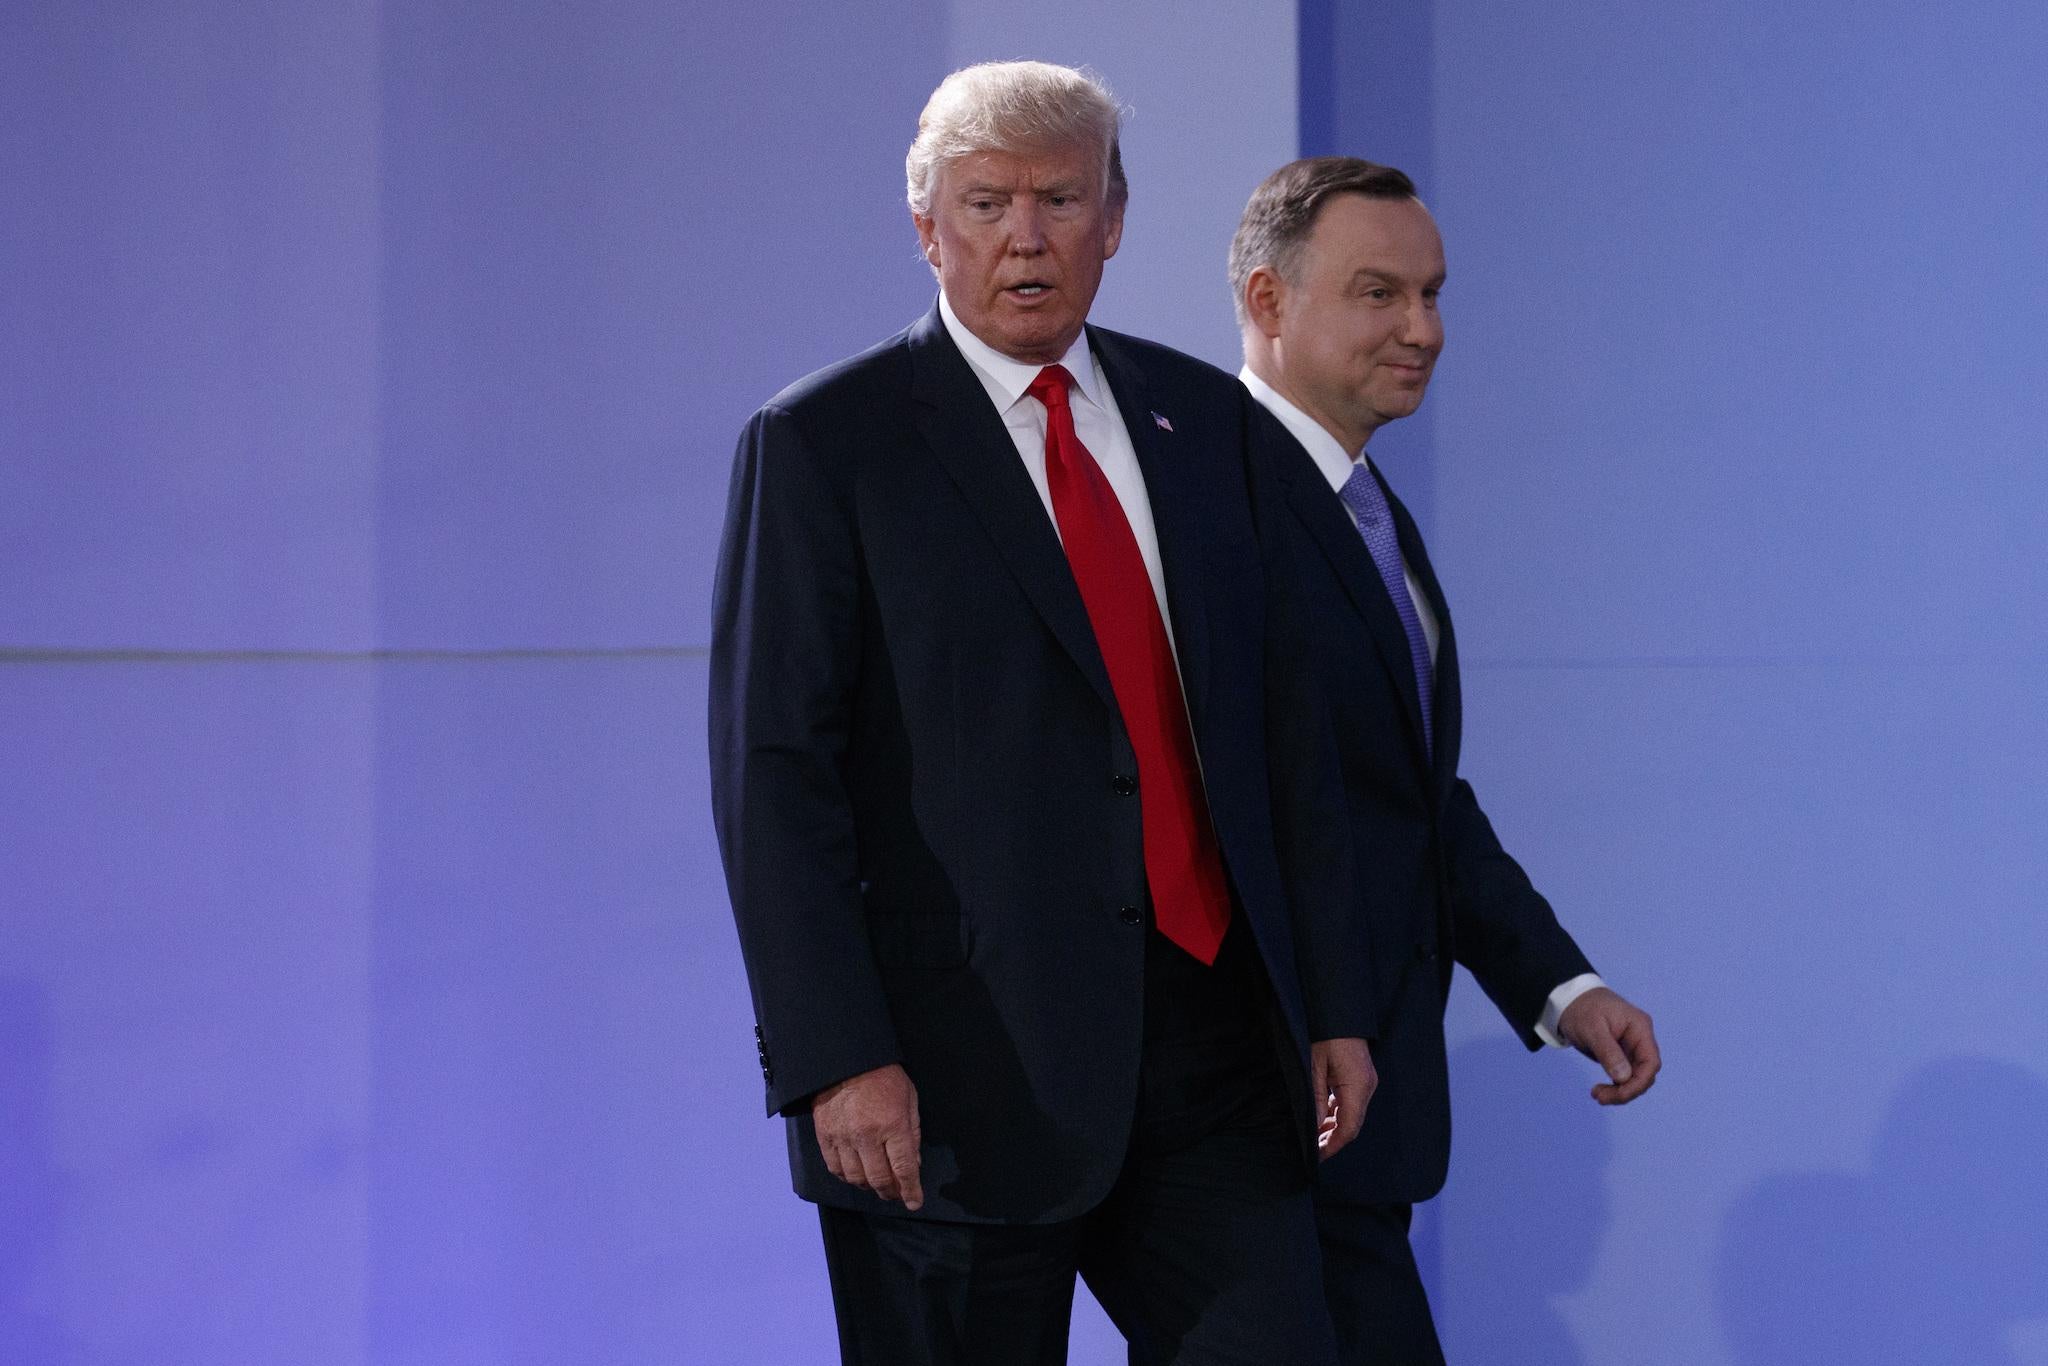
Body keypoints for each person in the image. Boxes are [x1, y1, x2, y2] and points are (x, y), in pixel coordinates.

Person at [708, 64, 1376, 1366]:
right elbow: (773, 776)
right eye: (987, 202)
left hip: (1214, 1056)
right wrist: (835, 1055)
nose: (1026, 234)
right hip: (955, 1079)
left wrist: (1331, 1000)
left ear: (1114, 217)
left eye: (1060, 198)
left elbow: (1285, 736)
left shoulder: (1210, 428)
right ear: (927, 228)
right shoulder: (828, 447)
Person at [1227, 156, 1664, 1364]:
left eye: (1430, 295)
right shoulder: (1214, 504)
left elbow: (1414, 798)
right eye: (1379, 293)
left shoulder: (1367, 508)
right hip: (1260, 1105)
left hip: (1360, 1110)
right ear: (1265, 301)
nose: (1420, 330)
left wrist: (1559, 986)